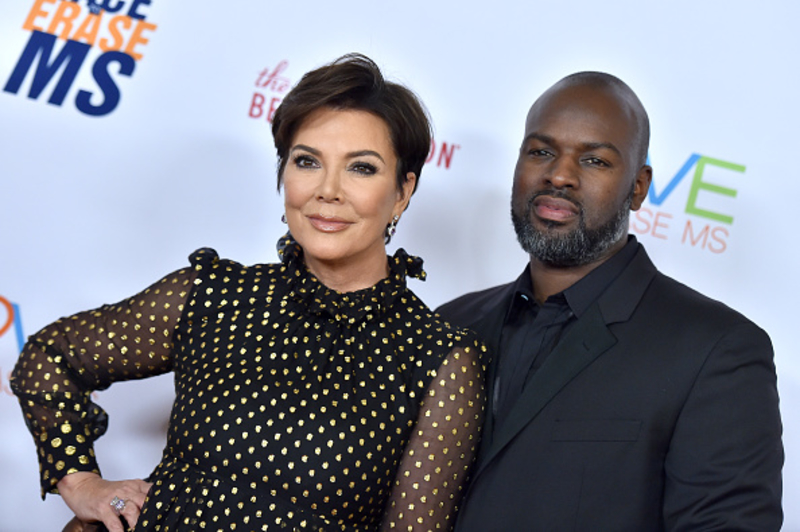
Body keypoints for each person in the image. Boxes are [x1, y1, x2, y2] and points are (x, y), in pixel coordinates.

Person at [11, 53, 485, 532]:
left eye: (361, 168)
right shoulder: (216, 295)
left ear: (403, 191)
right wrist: (81, 482)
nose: (327, 190)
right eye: (307, 162)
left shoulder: (437, 359)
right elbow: (50, 358)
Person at [437, 71, 783, 531]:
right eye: (540, 152)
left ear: (639, 188)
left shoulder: (716, 350)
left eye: (595, 161)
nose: (558, 175)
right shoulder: (451, 324)